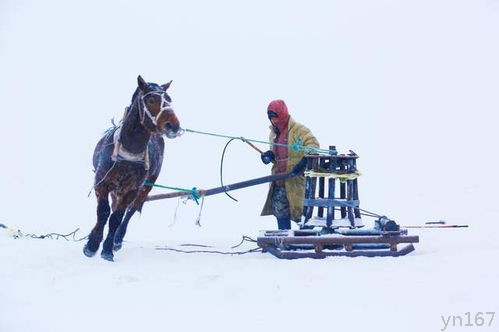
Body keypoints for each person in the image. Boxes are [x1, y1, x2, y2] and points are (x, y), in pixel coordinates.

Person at [260, 99, 320, 230]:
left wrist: (304, 162)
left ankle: (306, 241)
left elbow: (314, 146)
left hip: (296, 180)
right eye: (270, 118)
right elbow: (277, 155)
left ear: (283, 114)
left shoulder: (300, 130)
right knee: (280, 209)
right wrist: (269, 155)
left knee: (301, 211)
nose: (273, 121)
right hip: (279, 179)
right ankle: (285, 239)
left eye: (275, 117)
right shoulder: (274, 133)